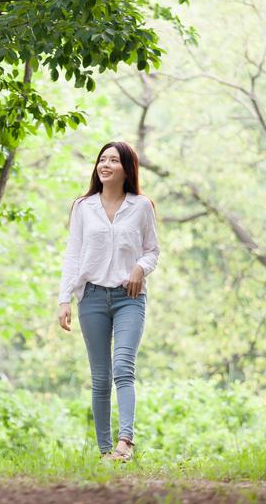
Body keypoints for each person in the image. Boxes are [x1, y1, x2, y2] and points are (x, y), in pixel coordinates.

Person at [57, 141, 159, 461]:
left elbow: (152, 251)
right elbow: (73, 255)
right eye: (103, 159)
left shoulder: (141, 206)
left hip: (129, 298)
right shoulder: (83, 207)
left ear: (127, 169)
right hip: (92, 297)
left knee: (123, 368)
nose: (106, 164)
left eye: (114, 160)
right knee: (100, 377)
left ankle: (125, 442)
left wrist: (140, 269)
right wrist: (64, 299)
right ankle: (105, 453)